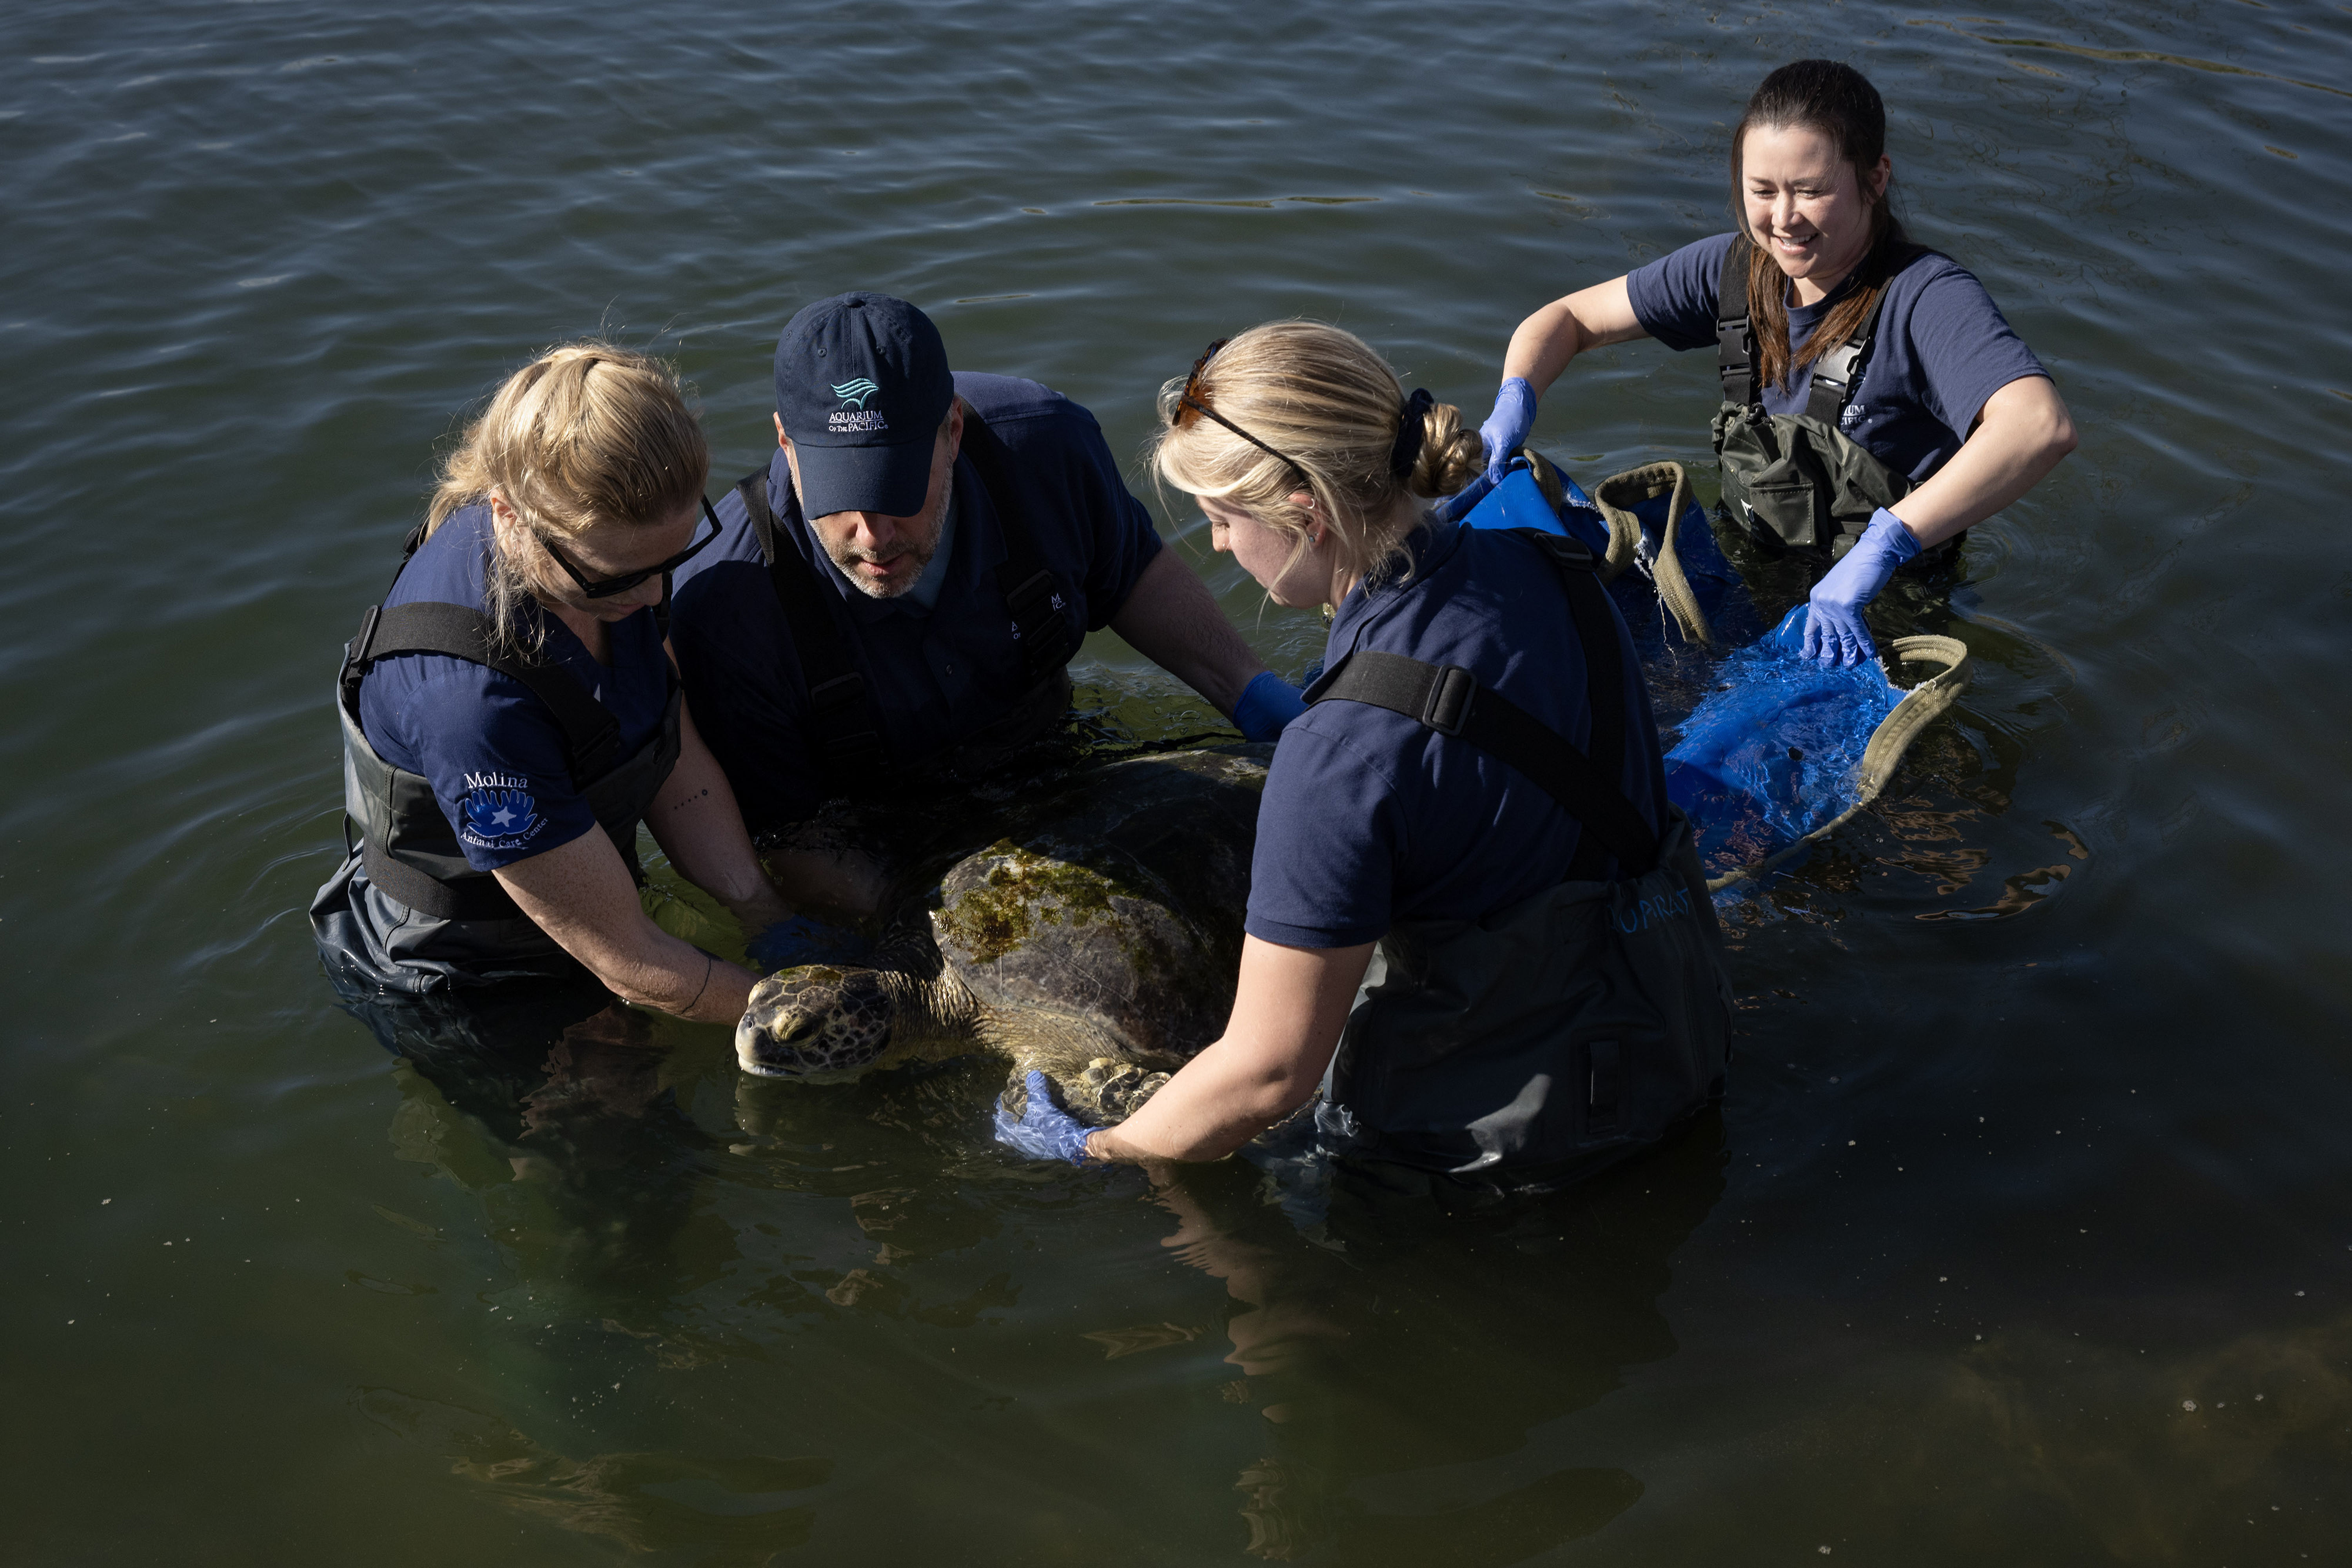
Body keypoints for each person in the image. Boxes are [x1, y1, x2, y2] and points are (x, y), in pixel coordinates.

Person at [994, 323, 1731, 1186]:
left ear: (1304, 509)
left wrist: (1098, 1147)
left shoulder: (1339, 753)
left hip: (1504, 1163)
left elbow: (1268, 1076)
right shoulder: (1557, 567)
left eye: (1223, 519)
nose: (1222, 546)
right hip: (1677, 1038)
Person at [666, 292, 1302, 915]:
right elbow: (792, 838)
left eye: (897, 490)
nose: (873, 534)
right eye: (841, 496)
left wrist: (1251, 692)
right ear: (786, 443)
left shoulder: (1048, 448)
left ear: (953, 430)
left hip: (1050, 755)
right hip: (880, 842)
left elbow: (1132, 575)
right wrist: (935, 945)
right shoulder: (725, 605)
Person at [1480, 58, 2077, 668]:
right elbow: (1567, 320)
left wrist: (1884, 545)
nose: (1783, 218)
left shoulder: (1928, 297)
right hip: (1742, 562)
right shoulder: (1732, 270)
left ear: (1876, 179)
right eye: (1762, 191)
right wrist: (1514, 400)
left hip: (1878, 603)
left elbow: (2038, 426)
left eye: (1812, 191)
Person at [310, 343, 805, 1024]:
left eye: (676, 555)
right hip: (468, 975)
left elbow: (673, 753)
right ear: (509, 514)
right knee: (620, 1117)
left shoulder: (612, 567)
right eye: (620, 575)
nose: (659, 593)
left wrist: (766, 915)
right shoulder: (472, 708)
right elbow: (627, 959)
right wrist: (813, 1009)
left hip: (579, 886)